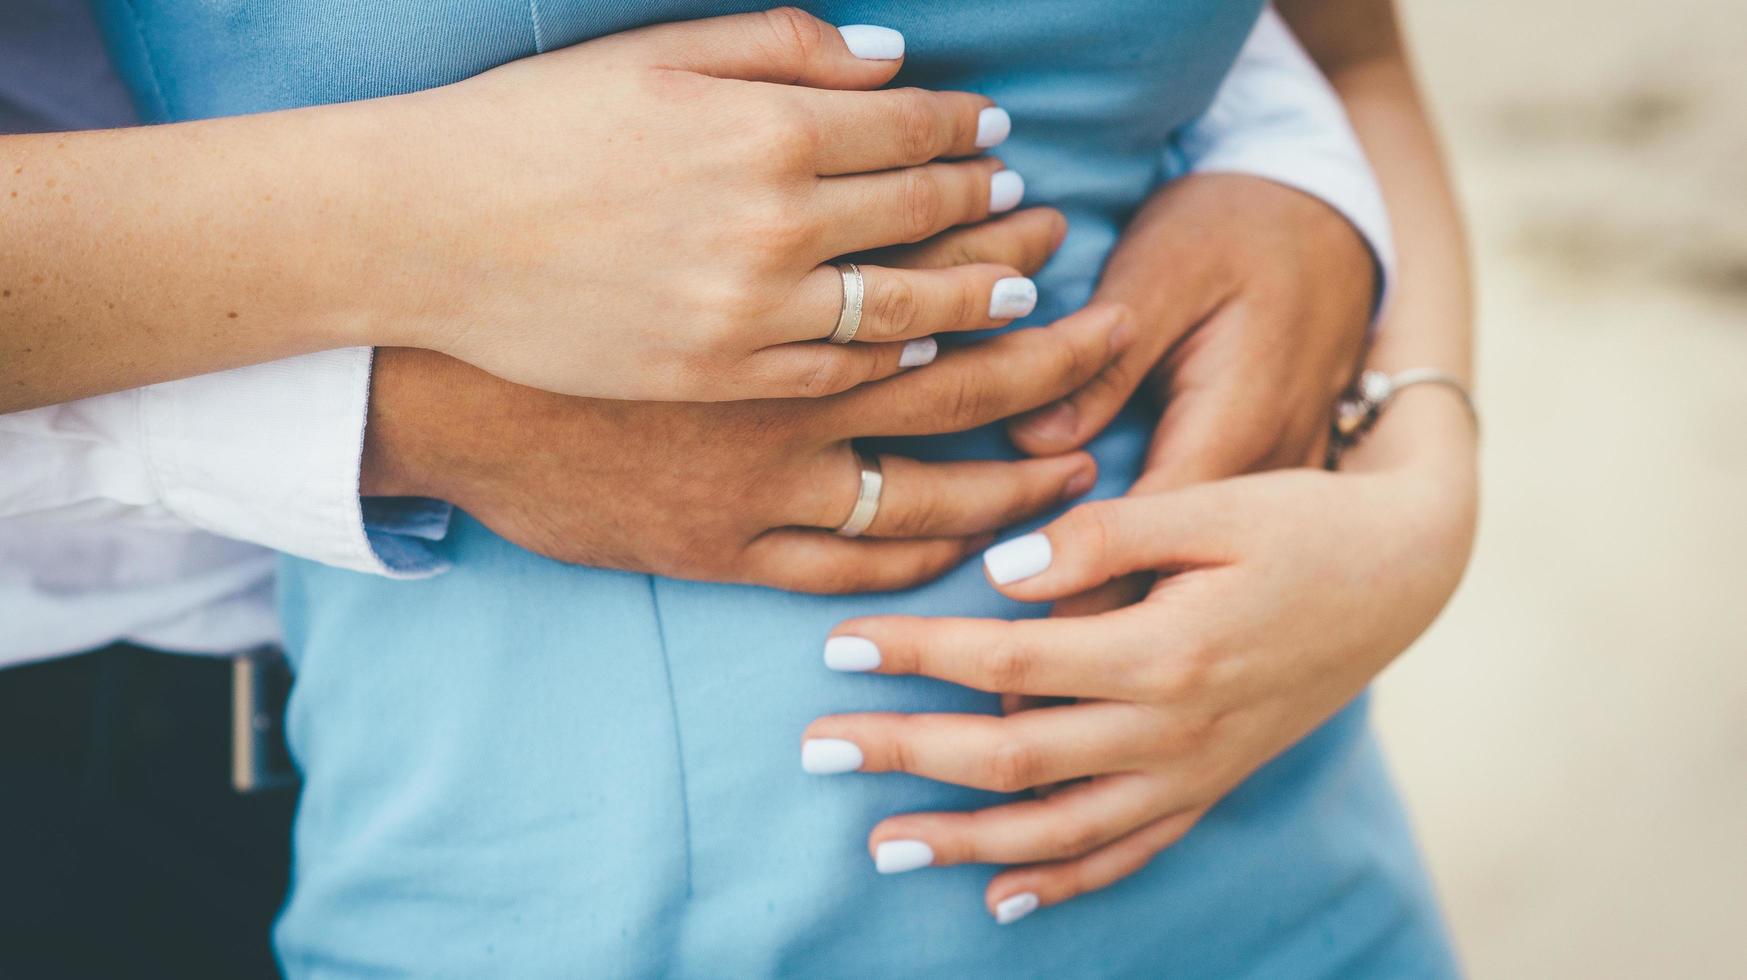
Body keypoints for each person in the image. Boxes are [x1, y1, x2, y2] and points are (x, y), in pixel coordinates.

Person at [80, 3, 1468, 978]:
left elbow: (1349, 55)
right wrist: (414, 320)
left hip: (1287, 854)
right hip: (579, 909)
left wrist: (1424, 480)